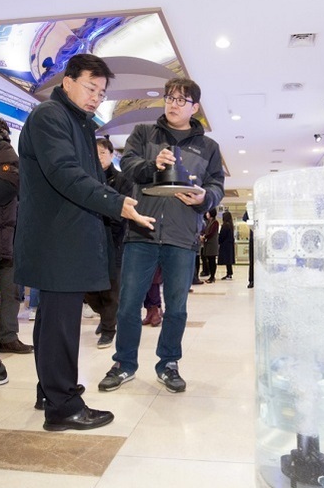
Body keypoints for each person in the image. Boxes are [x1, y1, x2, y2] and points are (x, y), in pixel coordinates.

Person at [14, 54, 155, 431]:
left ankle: (51, 391)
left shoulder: (75, 122)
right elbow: (65, 174)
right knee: (60, 323)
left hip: (63, 236)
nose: (96, 97)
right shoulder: (51, 117)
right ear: (68, 81)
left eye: (101, 92)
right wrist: (117, 203)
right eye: (90, 87)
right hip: (57, 237)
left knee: (53, 320)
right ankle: (63, 408)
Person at [98, 76, 224, 394]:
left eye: (181, 99)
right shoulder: (143, 134)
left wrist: (204, 199)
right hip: (142, 229)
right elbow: (127, 166)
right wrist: (154, 165)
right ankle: (124, 363)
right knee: (128, 304)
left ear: (194, 106)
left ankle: (168, 363)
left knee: (177, 307)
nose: (172, 103)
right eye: (169, 97)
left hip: (182, 236)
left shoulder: (208, 147)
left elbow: (216, 186)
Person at [84, 138, 134, 348]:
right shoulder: (85, 178)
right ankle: (107, 316)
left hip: (114, 241)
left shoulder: (123, 180)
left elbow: (124, 210)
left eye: (102, 153)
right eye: (94, 153)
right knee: (89, 290)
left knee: (112, 289)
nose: (98, 157)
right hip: (88, 241)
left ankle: (108, 329)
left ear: (112, 155)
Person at [0, 117, 30, 386]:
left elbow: (4, 189)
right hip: (5, 234)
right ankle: (6, 340)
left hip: (5, 235)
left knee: (11, 291)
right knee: (10, 291)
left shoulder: (2, 151)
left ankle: (7, 339)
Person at [201, 208, 219, 283]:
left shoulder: (215, 222)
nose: (206, 214)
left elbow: (211, 233)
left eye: (208, 213)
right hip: (208, 244)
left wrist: (204, 237)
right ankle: (210, 276)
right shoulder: (209, 222)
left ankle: (212, 276)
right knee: (209, 260)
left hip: (212, 244)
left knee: (212, 260)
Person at [218, 210, 235, 280]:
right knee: (229, 260)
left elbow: (222, 236)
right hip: (229, 245)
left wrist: (219, 241)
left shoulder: (225, 225)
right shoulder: (231, 225)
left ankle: (229, 273)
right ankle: (229, 273)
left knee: (227, 259)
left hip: (225, 245)